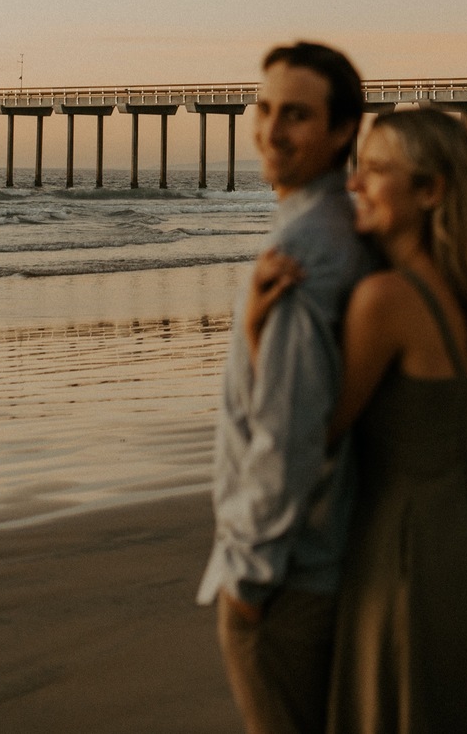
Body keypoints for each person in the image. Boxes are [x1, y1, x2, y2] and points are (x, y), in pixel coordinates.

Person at [247, 108, 467, 733]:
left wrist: (254, 330)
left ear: (429, 191)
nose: (353, 184)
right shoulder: (464, 289)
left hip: (405, 544)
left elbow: (312, 432)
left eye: (375, 170)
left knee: (399, 699)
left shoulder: (386, 301)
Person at [197, 41, 376, 734]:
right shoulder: (338, 232)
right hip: (322, 560)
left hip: (288, 577)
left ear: (341, 131)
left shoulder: (305, 253)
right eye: (265, 107)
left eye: (296, 115)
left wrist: (246, 578)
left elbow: (290, 431)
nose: (270, 130)